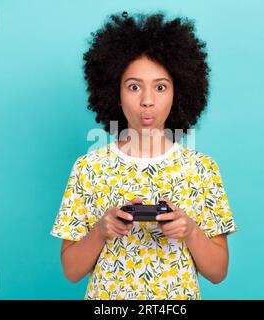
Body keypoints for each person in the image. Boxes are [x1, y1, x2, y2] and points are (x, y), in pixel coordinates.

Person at [50, 11, 237, 300]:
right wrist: (102, 229)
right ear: (115, 91)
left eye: (160, 87)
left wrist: (190, 231)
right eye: (134, 86)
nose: (147, 100)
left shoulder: (202, 169)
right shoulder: (89, 168)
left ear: (180, 91)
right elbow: (71, 272)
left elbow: (218, 273)